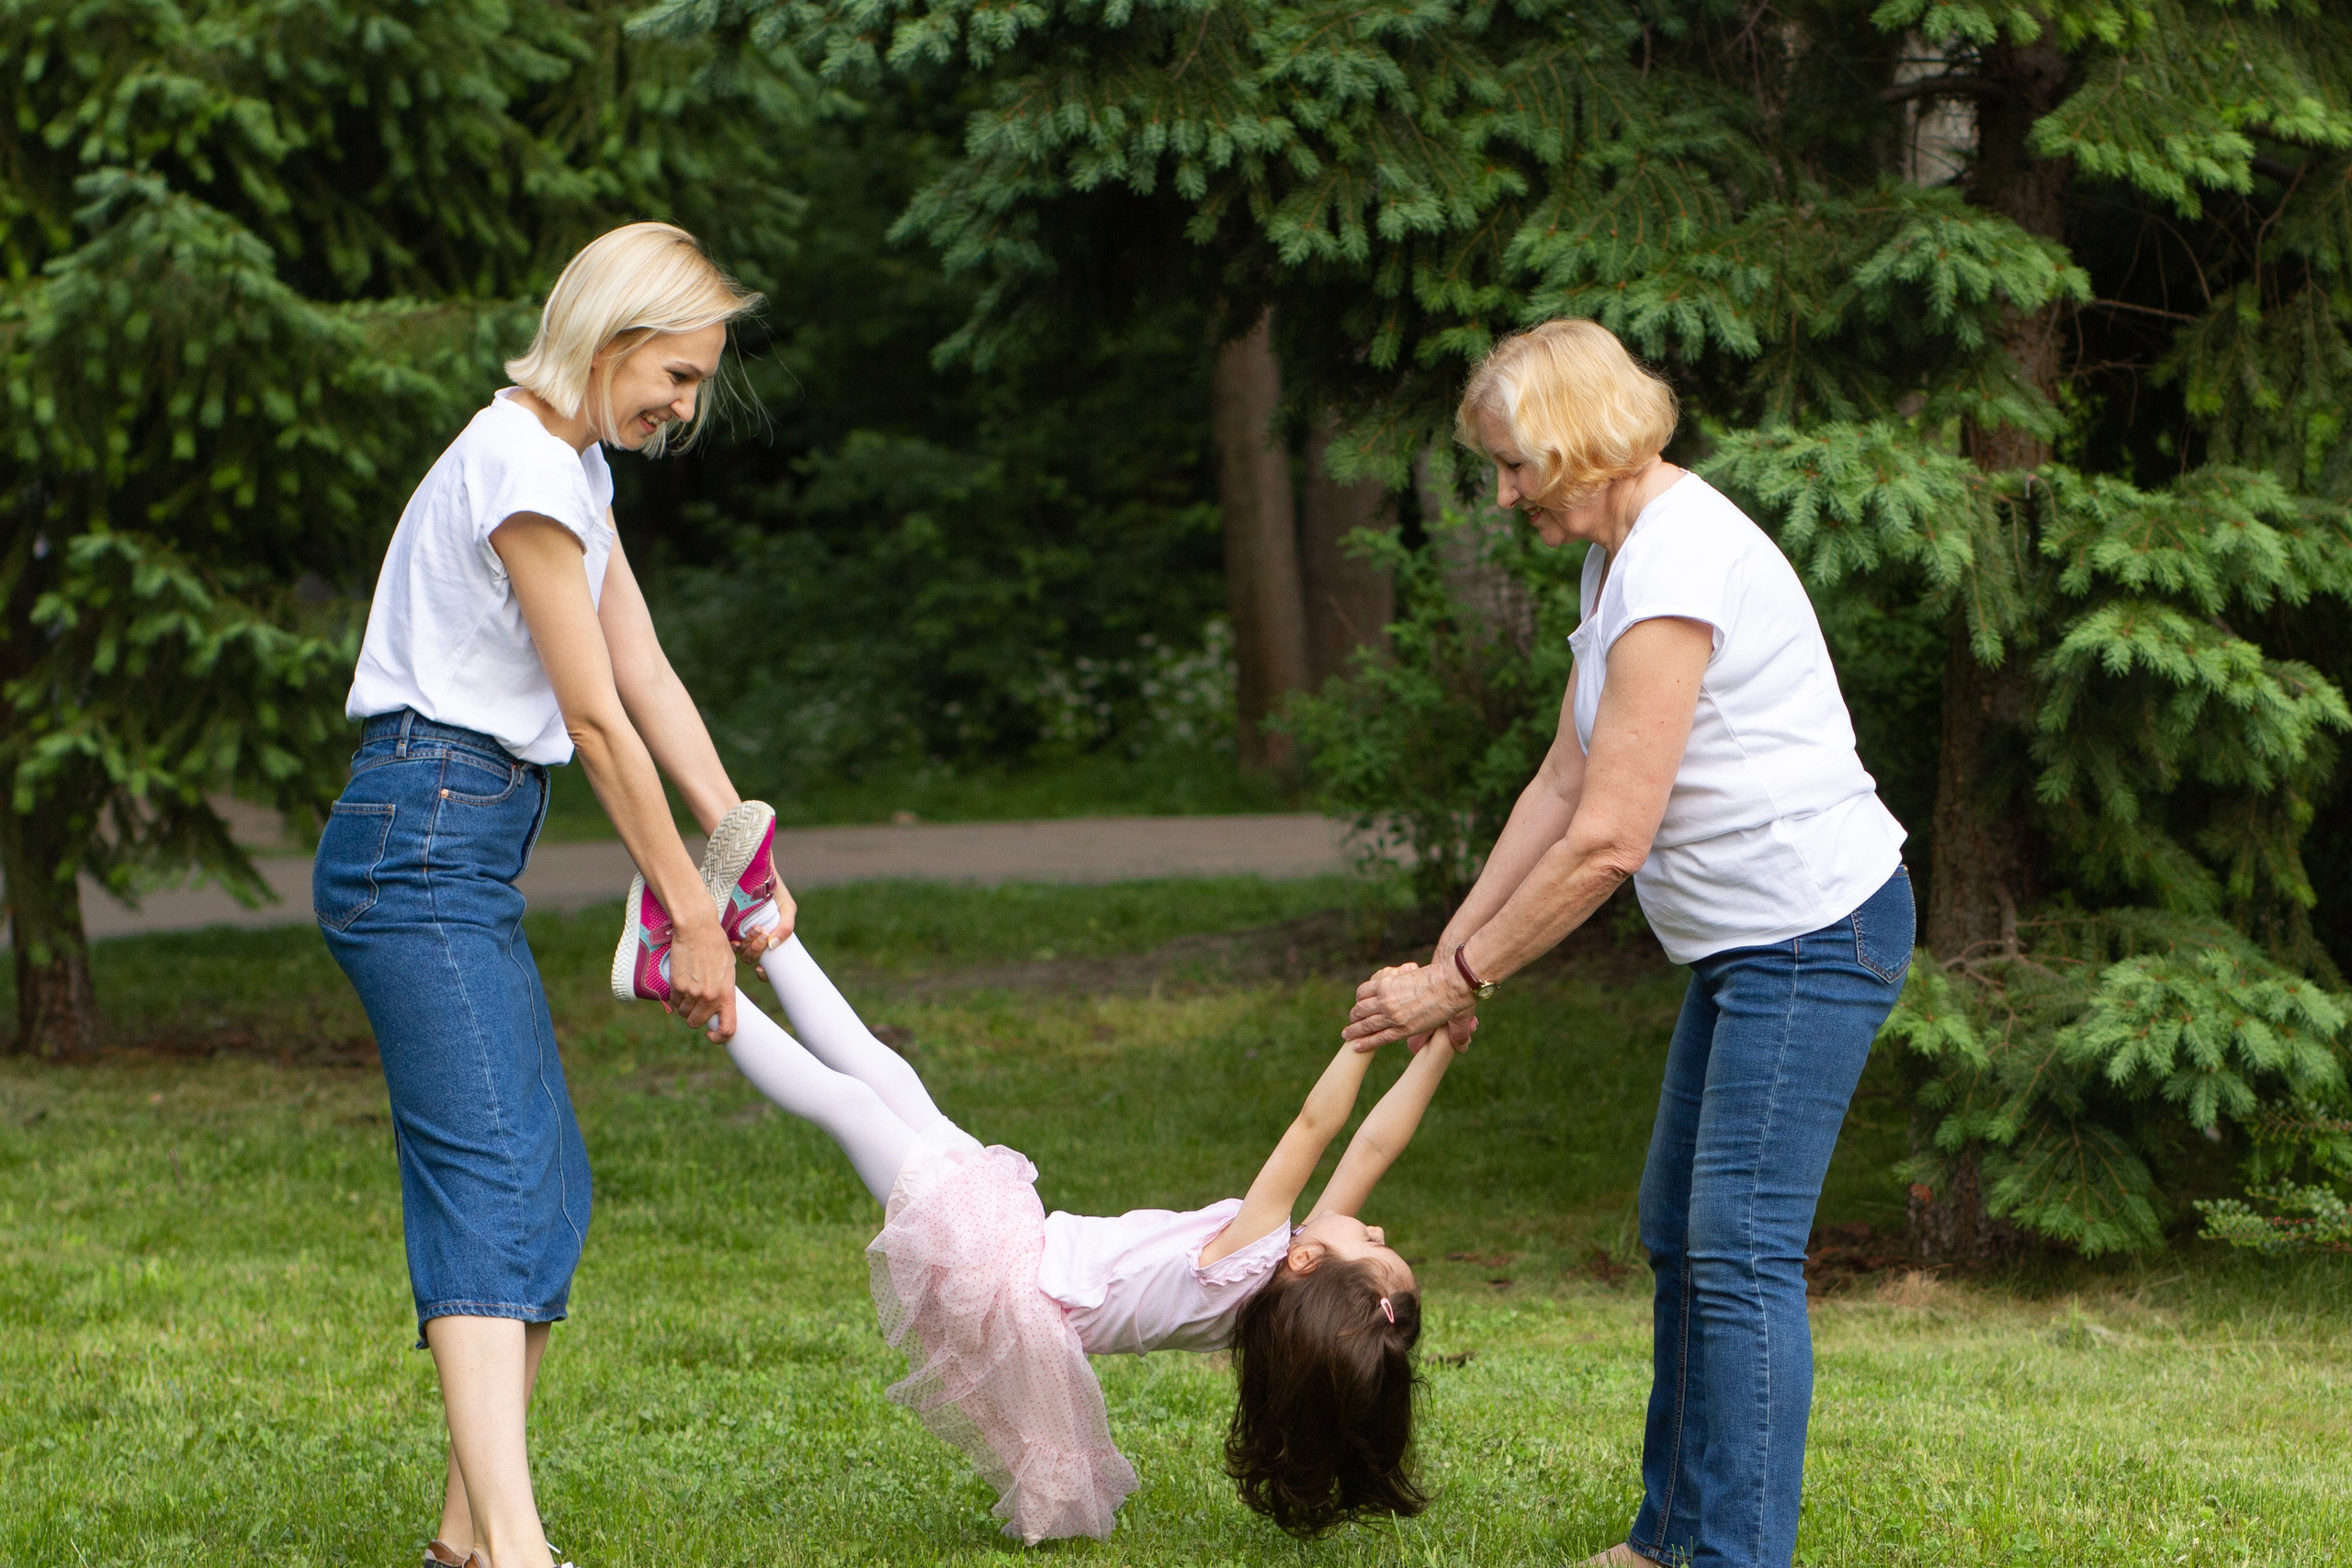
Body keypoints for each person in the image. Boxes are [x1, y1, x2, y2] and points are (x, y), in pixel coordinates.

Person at [1340, 319, 1915, 1568]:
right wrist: (1452, 948)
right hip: (1749, 944)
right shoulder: (1619, 560)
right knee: (1681, 1227)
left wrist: (1465, 977)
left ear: (1579, 445)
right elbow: (1561, 778)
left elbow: (1608, 839)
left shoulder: (1677, 561)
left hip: (1816, 929)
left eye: (1511, 467)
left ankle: (1732, 1552)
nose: (1499, 496)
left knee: (1739, 1247)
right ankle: (1671, 1535)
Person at [314, 222, 791, 1568]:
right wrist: (686, 914)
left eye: (698, 384)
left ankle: (468, 1545)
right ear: (613, 334)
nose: (685, 408)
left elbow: (643, 669)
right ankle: (515, 1551)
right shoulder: (521, 463)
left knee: (544, 1186)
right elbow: (589, 717)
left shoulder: (573, 468)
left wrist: (735, 844)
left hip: (454, 842)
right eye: (679, 376)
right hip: (420, 837)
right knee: (495, 1182)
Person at [628, 887, 1456, 1542]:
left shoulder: (1252, 1255)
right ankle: (765, 929)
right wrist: (1442, 1041)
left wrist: (1367, 1035)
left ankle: (688, 982)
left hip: (1005, 1264)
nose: (1374, 1227)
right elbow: (1373, 1147)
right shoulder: (1277, 1280)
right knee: (884, 1076)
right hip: (1018, 1241)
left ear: (1316, 1264)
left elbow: (1321, 1130)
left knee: (855, 1099)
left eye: (1373, 1244)